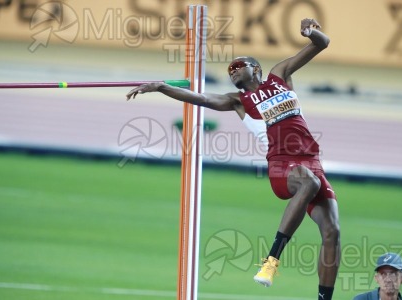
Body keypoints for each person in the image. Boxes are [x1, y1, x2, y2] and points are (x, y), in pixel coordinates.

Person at [126, 18, 340, 300]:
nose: (234, 71)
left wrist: (310, 32)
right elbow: (201, 98)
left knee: (332, 232)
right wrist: (161, 87)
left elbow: (322, 44)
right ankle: (271, 262)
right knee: (308, 183)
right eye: (230, 70)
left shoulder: (280, 75)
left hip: (311, 161)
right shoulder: (239, 101)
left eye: (240, 66)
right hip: (282, 166)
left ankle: (324, 297)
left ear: (257, 69)